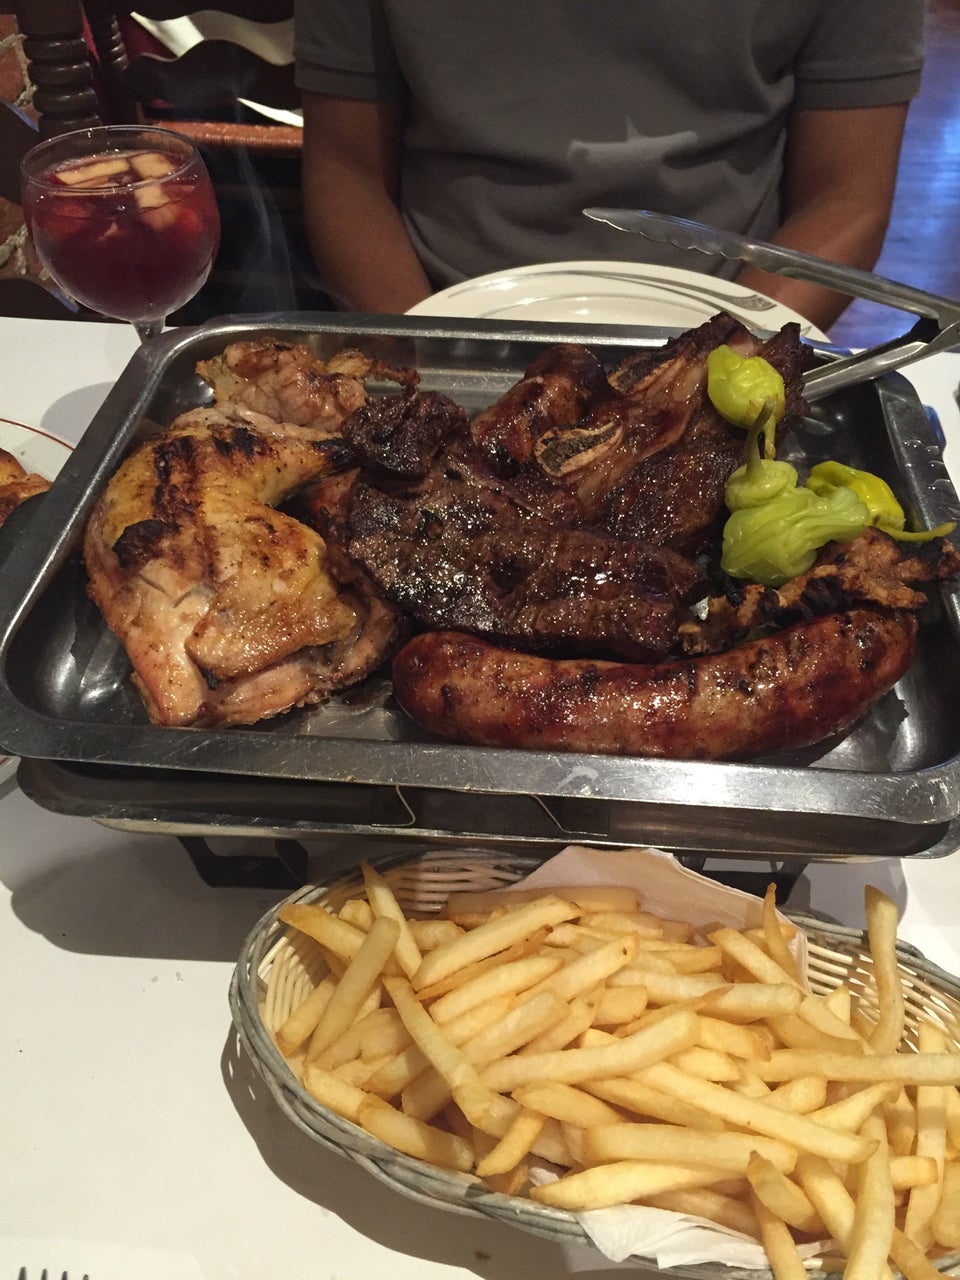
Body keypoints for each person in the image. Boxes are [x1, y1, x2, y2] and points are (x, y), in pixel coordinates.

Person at [293, 1, 923, 331]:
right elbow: (347, 171)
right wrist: (422, 356)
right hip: (431, 304)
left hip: (734, 316)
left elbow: (846, 196)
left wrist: (729, 360)